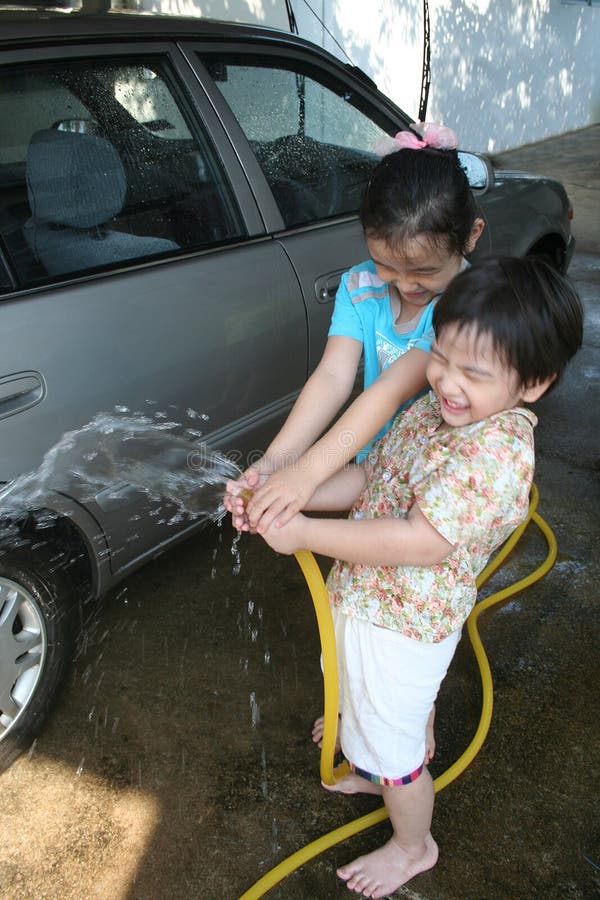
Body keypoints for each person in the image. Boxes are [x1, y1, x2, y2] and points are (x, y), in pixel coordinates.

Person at [255, 257, 583, 898]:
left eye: (473, 373)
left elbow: (417, 542)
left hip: (405, 625)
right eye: (441, 356)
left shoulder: (491, 455)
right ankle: (371, 750)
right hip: (371, 597)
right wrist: (292, 496)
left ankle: (411, 844)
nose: (447, 382)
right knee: (359, 695)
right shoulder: (438, 410)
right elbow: (371, 483)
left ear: (534, 382)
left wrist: (305, 535)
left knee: (398, 747)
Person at [225, 123, 485, 535]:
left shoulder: (466, 309)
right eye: (386, 266)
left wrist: (305, 475)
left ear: (471, 236)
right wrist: (274, 467)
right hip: (374, 467)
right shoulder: (361, 286)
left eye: (424, 271)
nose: (404, 285)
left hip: (437, 485)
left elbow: (388, 392)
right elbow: (332, 377)